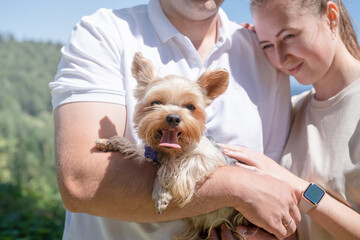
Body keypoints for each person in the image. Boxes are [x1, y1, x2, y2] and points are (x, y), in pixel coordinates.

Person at [49, 0, 301, 239]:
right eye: (157, 103)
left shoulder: (266, 51)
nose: (171, 115)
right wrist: (237, 187)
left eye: (190, 107)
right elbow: (82, 182)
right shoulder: (103, 32)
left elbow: (282, 197)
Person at [220, 0, 360, 239]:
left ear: (331, 17)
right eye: (267, 45)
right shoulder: (291, 111)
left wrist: (297, 187)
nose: (281, 58)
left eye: (288, 37)